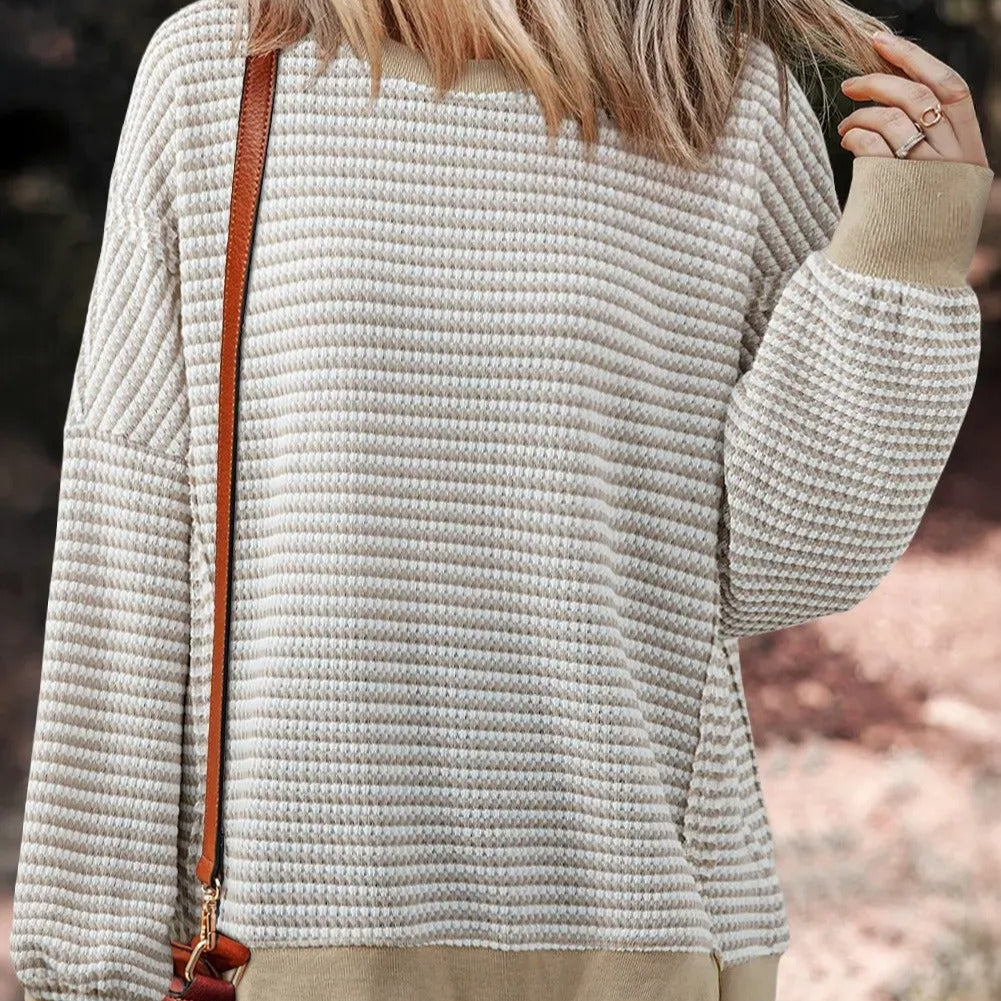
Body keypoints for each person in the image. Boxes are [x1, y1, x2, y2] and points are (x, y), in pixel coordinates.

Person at [9, 0, 993, 998]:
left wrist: (905, 246)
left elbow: (784, 563)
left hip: (632, 940)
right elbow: (124, 526)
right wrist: (86, 967)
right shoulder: (224, 70)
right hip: (288, 946)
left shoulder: (723, 101)